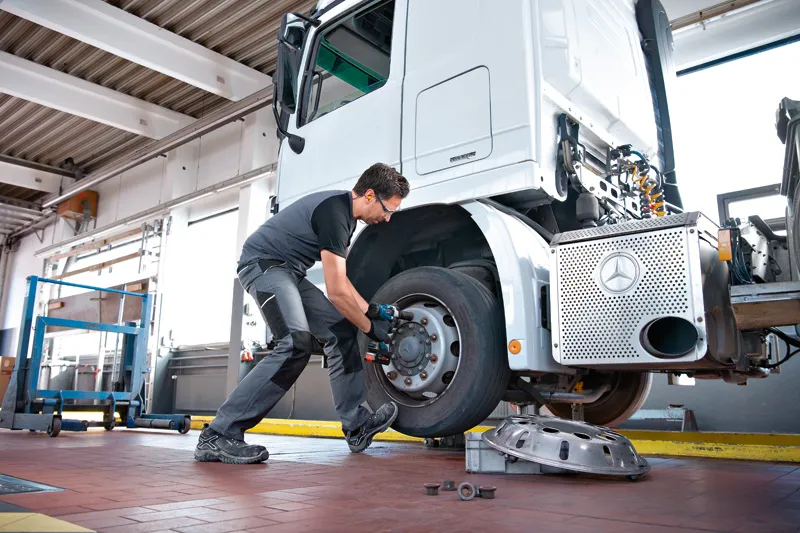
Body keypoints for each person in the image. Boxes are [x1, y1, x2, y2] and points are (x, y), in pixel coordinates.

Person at [194, 163, 410, 464]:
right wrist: (371, 329)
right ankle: (219, 434)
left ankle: (357, 424)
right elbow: (336, 293)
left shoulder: (346, 219)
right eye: (388, 210)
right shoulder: (335, 214)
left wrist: (370, 311)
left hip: (290, 273)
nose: (387, 219)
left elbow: (342, 282)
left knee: (341, 332)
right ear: (370, 196)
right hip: (264, 265)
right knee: (295, 342)